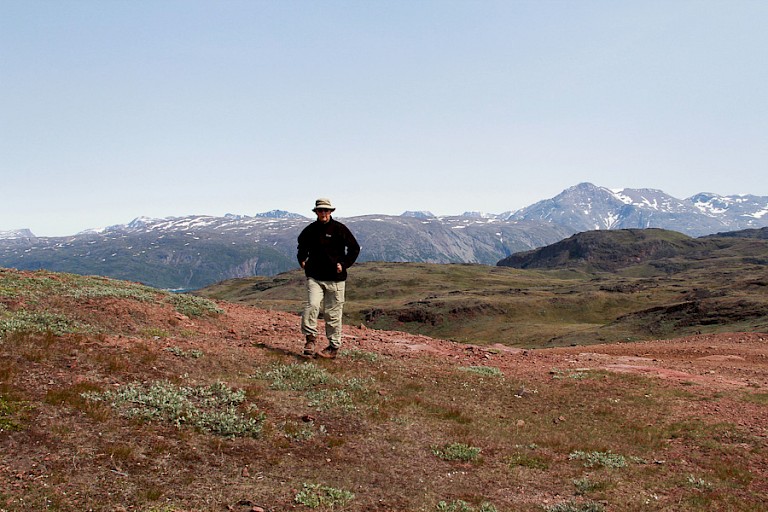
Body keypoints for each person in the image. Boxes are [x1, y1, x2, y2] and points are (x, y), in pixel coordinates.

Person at [297, 198, 360, 359]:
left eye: (326, 210)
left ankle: (333, 347)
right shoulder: (310, 230)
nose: (323, 213)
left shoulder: (340, 229)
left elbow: (354, 248)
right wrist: (302, 259)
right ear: (316, 212)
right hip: (315, 277)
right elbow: (301, 245)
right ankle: (310, 339)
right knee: (312, 305)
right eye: (320, 210)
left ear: (331, 212)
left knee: (333, 315)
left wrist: (344, 264)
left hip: (336, 279)